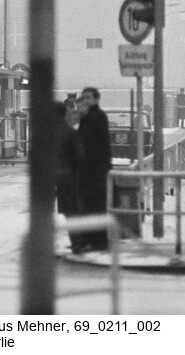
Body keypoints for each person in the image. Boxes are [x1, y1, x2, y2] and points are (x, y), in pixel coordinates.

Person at [74, 86, 112, 252]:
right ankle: (88, 239)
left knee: (96, 206)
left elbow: (100, 143)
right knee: (86, 206)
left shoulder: (98, 116)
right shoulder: (85, 117)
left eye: (88, 97)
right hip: (86, 170)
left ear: (96, 99)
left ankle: (99, 241)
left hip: (97, 170)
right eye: (84, 98)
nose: (85, 101)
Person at [53, 101, 84, 253]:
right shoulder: (70, 132)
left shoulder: (45, 133)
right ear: (64, 114)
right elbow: (80, 157)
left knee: (43, 210)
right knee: (71, 211)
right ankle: (77, 242)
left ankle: (44, 243)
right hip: (67, 176)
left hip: (48, 177)